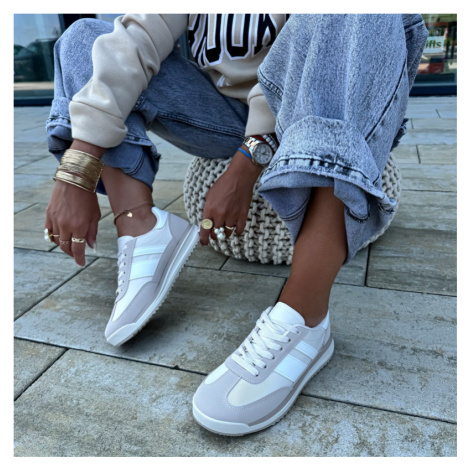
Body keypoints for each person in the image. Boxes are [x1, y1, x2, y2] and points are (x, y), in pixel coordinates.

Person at [44, 14, 428, 436]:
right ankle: (140, 226)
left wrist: (247, 163)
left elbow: (314, 53)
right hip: (223, 116)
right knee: (85, 37)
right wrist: (76, 168)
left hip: (319, 100)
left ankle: (306, 317)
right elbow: (136, 40)